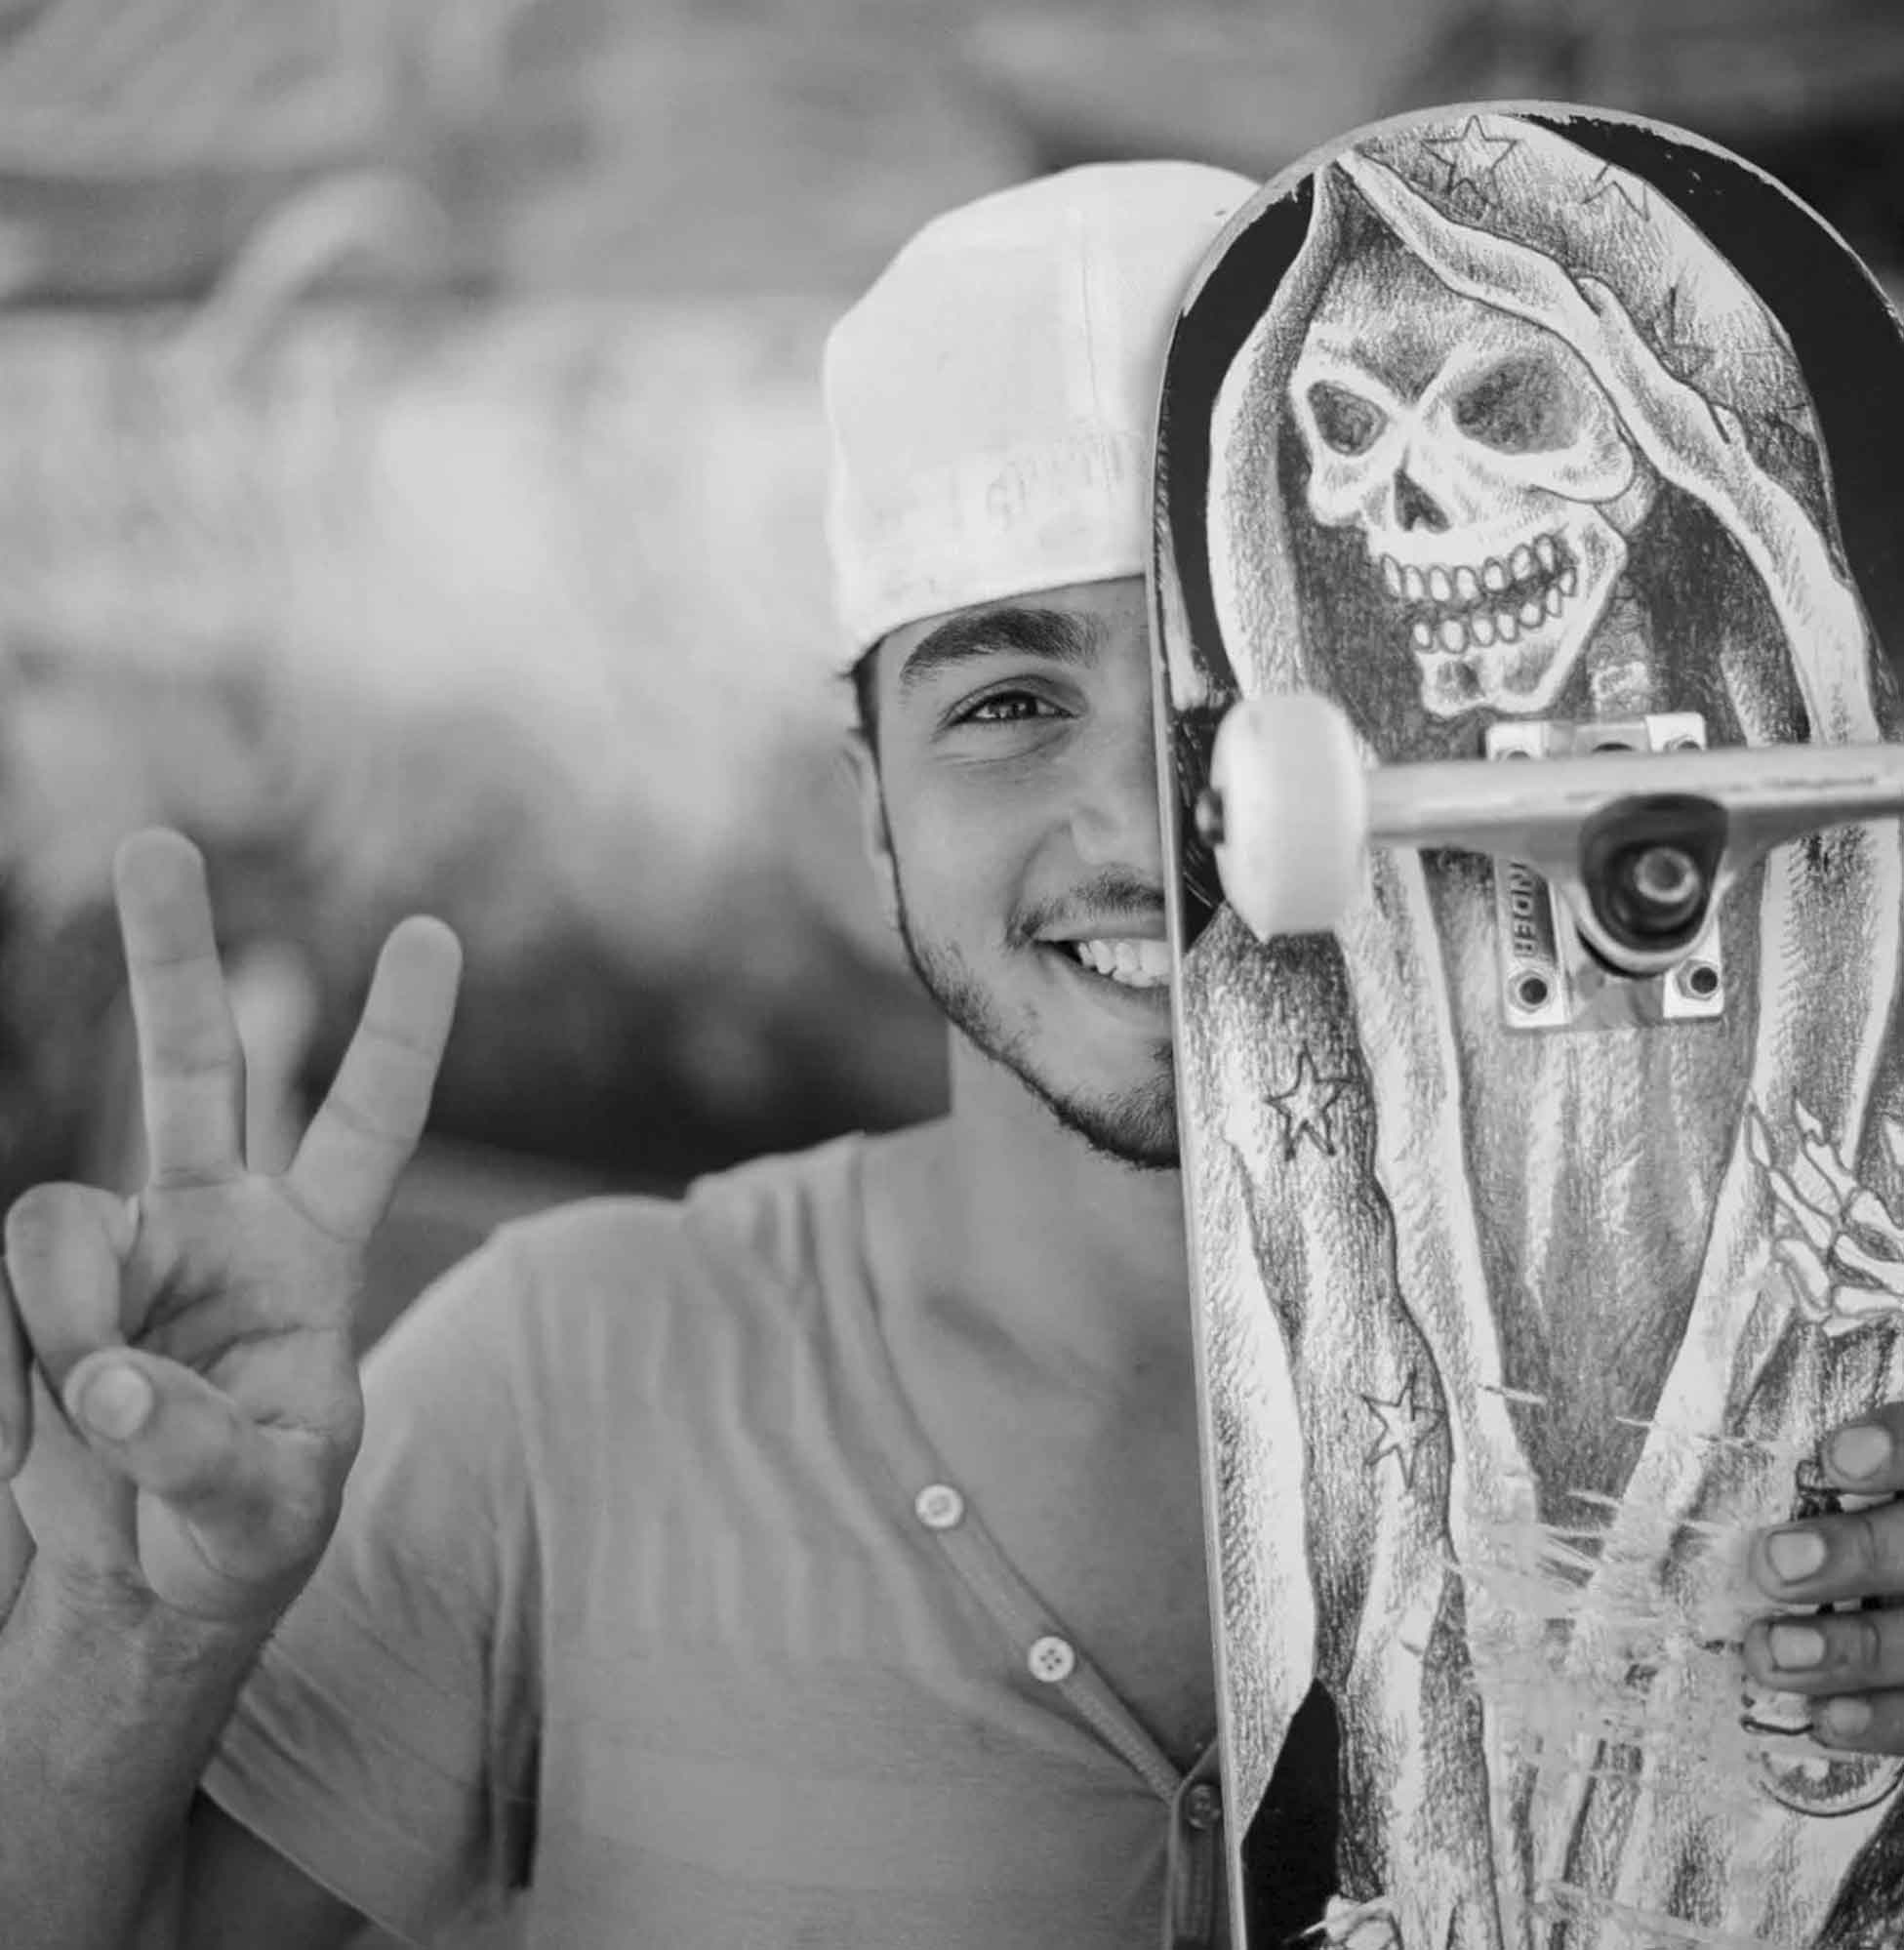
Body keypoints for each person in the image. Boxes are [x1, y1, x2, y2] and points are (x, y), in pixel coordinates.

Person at [1, 160, 1902, 1950]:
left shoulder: (1779, 1379)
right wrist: (128, 1622)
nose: (1142, 821)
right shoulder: (567, 1370)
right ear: (874, 814)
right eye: (1006, 701)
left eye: (1239, 682)